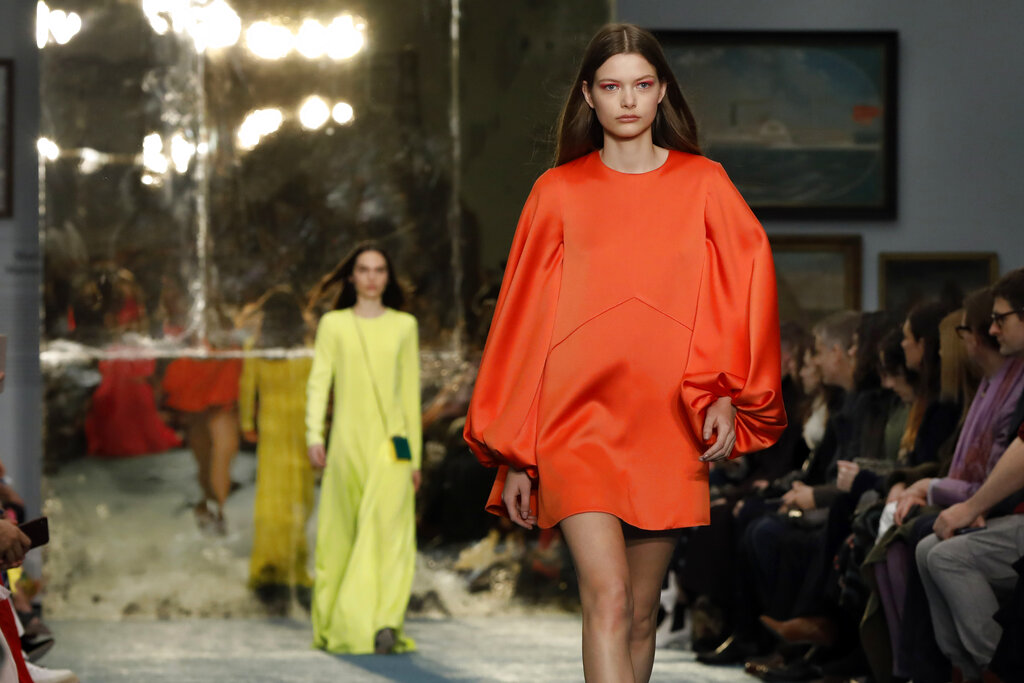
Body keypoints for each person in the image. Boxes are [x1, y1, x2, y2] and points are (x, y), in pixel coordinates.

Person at [463, 24, 786, 682]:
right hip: (575, 420)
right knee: (608, 598)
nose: (628, 100)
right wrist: (518, 450)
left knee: (639, 613)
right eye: (612, 87)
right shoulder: (556, 192)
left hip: (666, 421)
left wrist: (724, 390)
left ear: (663, 91)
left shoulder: (705, 184)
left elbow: (743, 289)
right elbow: (523, 324)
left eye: (642, 85)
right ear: (588, 95)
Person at [305, 242, 422, 655]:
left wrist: (413, 458)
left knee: (389, 533)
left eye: (379, 270)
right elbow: (319, 380)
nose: (372, 277)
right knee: (339, 535)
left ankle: (383, 622)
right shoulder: (333, 325)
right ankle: (338, 621)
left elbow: (408, 396)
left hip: (394, 445)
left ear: (388, 278)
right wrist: (314, 435)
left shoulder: (405, 326)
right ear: (352, 277)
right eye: (364, 269)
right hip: (345, 443)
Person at [238, 289, 314, 610]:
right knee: (300, 497)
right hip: (303, 428)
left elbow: (247, 387)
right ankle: (295, 568)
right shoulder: (308, 349)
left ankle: (268, 567)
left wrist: (246, 423)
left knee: (271, 497)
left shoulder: (254, 348)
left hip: (272, 428)